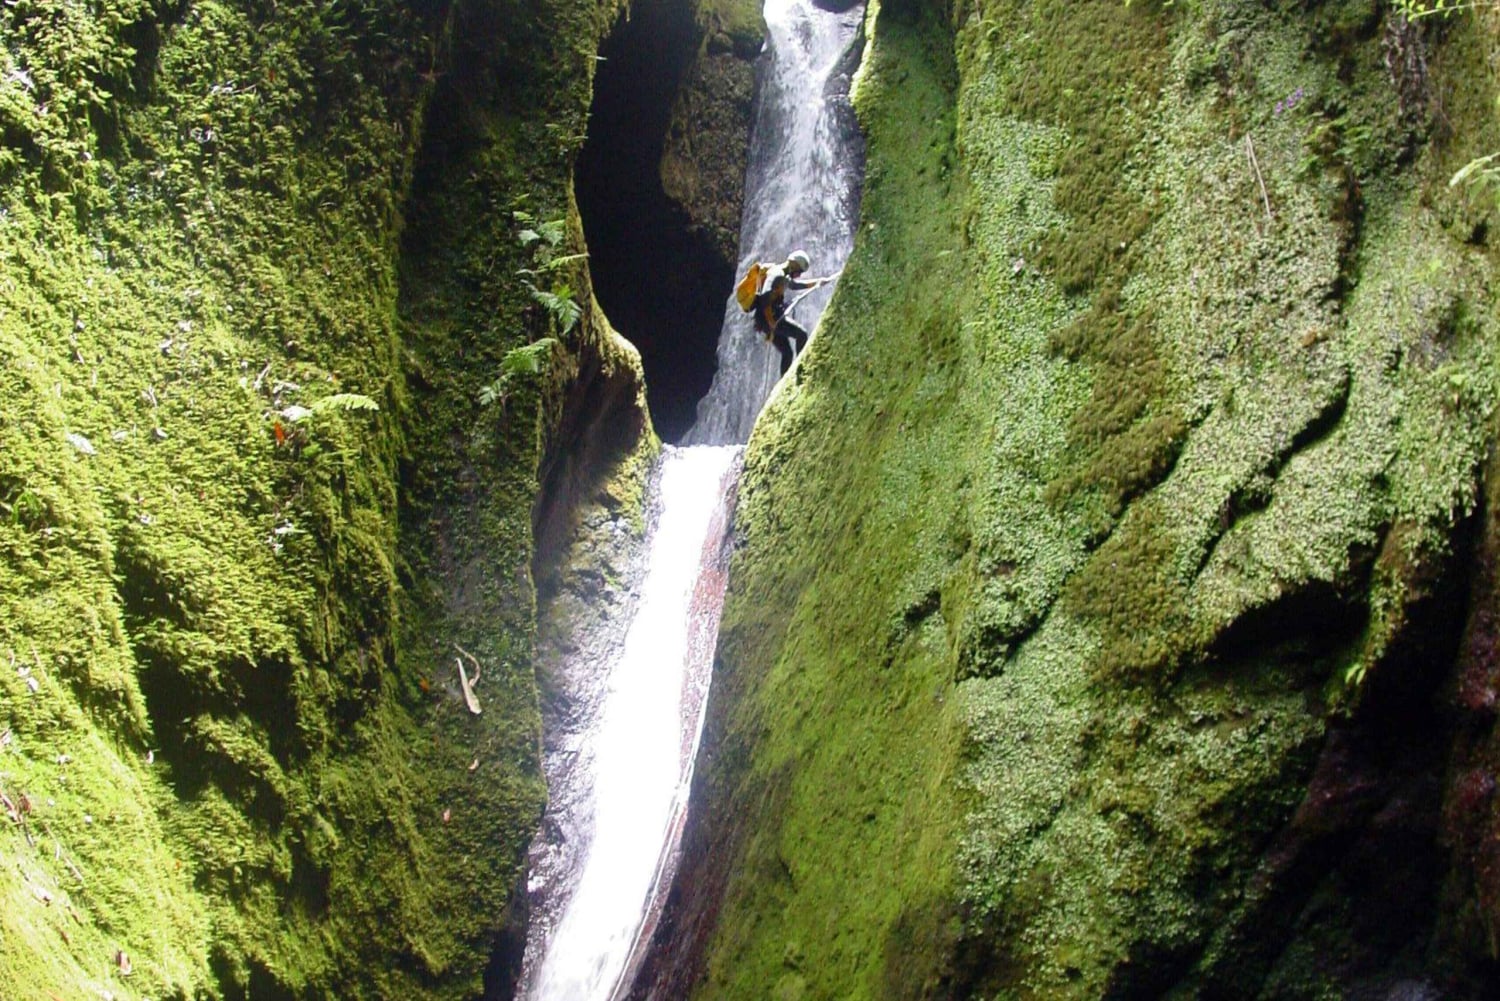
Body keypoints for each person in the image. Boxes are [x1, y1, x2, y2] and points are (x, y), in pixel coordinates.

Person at [752, 250, 835, 374]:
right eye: (800, 272)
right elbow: (765, 296)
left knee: (787, 353)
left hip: (768, 319)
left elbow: (795, 286)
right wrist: (770, 321)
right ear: (794, 265)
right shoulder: (777, 274)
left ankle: (783, 383)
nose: (799, 275)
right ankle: (802, 369)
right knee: (801, 334)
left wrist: (818, 282)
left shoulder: (783, 275)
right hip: (770, 319)